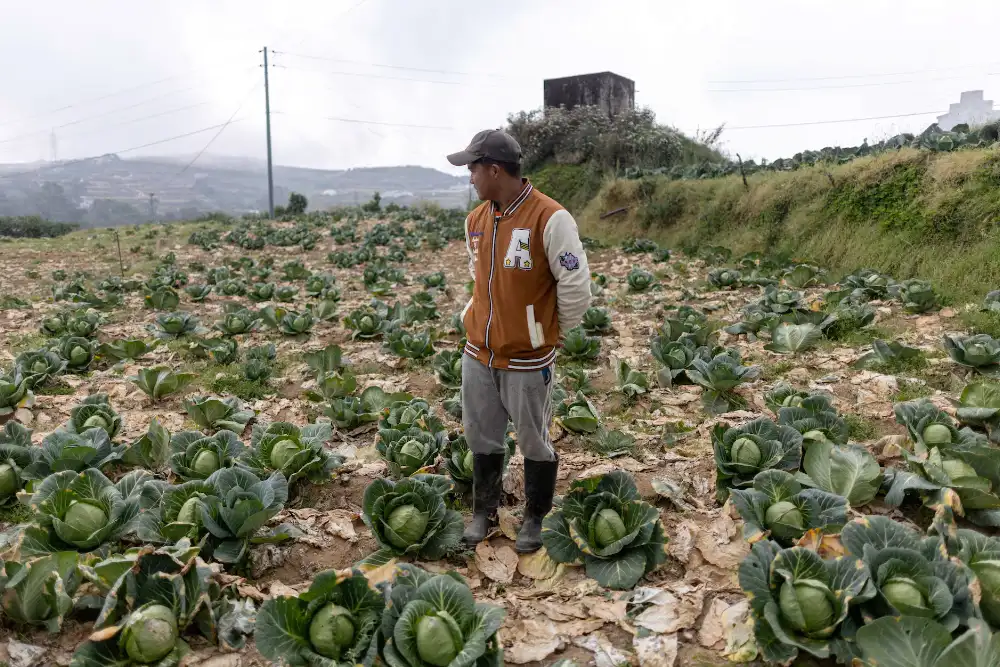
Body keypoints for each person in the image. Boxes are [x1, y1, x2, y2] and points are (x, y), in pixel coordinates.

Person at [447, 129, 592, 553]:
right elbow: (479, 278)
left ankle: (535, 515)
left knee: (533, 439)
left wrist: (548, 332)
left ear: (494, 170)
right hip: (479, 352)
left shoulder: (551, 218)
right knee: (480, 434)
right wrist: (472, 317)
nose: (470, 176)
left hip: (528, 358)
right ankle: (484, 511)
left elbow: (576, 285)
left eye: (473, 168)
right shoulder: (475, 221)